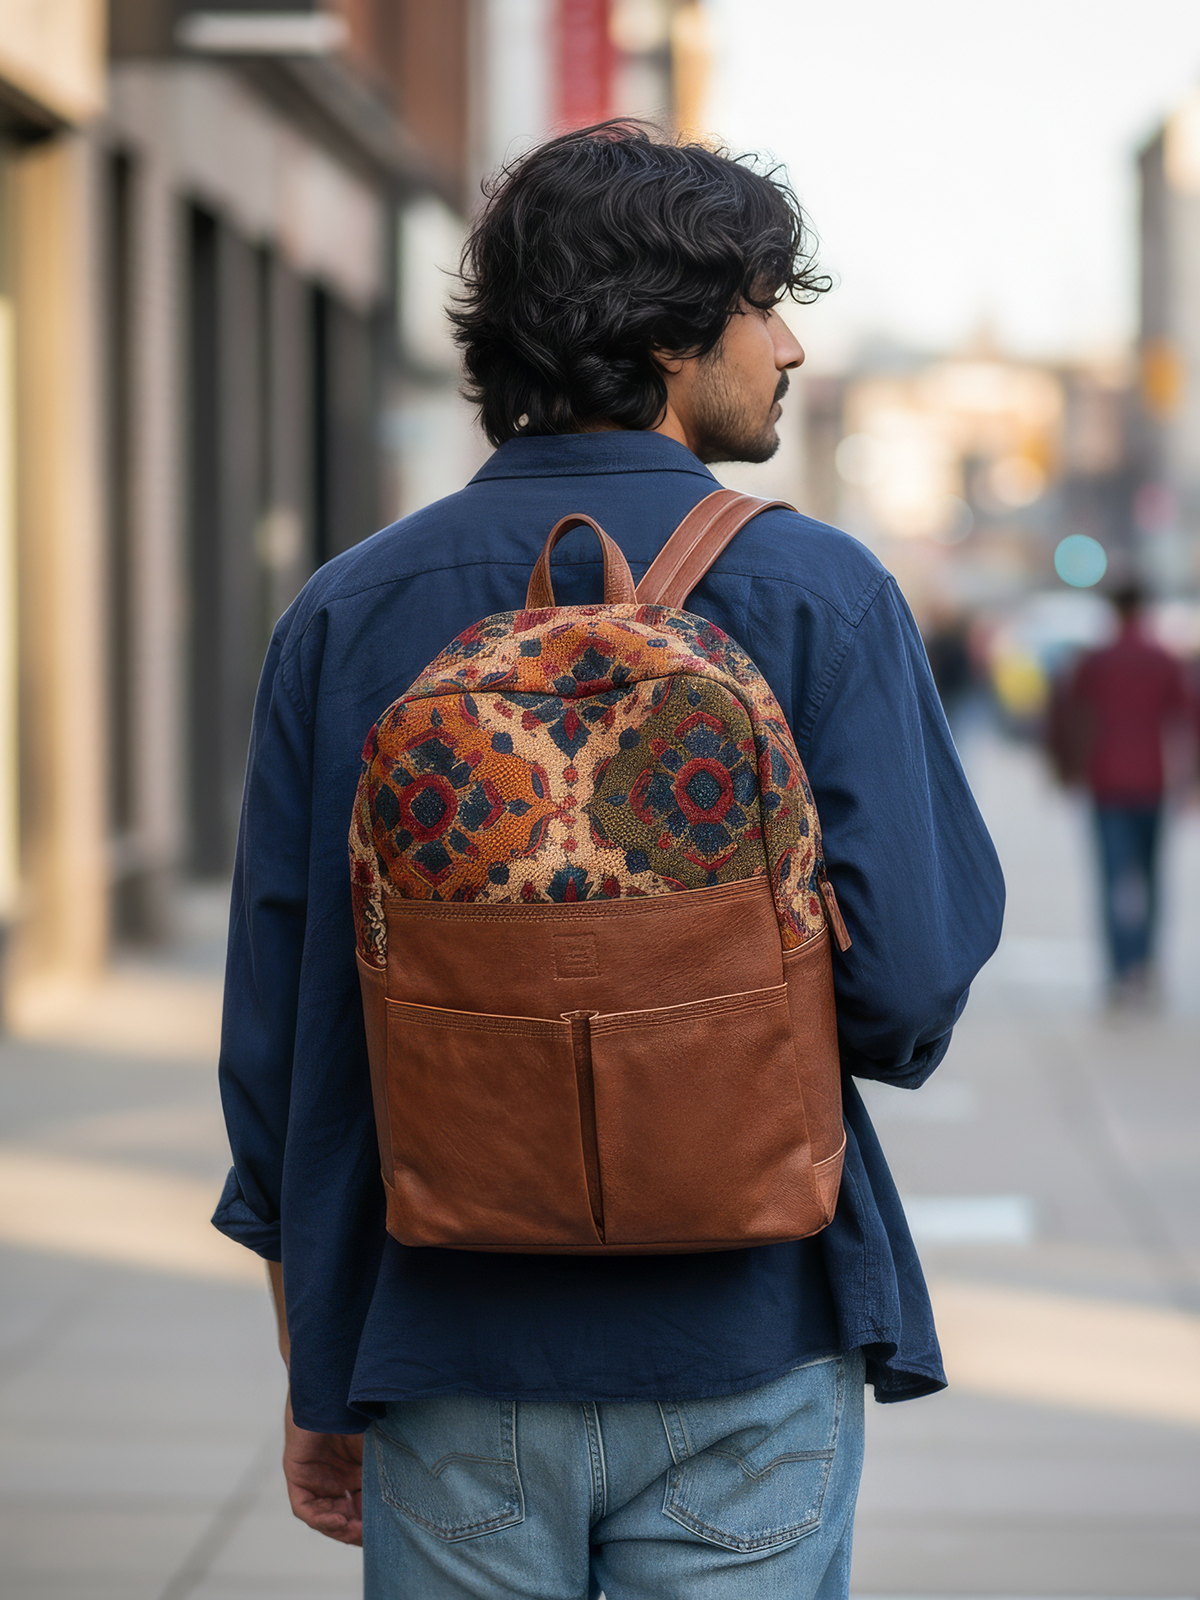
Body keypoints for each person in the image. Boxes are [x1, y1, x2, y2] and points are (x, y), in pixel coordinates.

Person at [212, 123, 1004, 1599]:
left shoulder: (347, 612)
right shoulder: (820, 593)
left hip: (447, 1342)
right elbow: (904, 992)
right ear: (658, 334)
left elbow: (291, 1045)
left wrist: (321, 1362)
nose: (789, 345)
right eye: (763, 301)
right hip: (746, 1332)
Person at [1052, 583, 1193, 1003]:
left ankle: (1118, 971)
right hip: (1153, 781)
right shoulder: (1163, 658)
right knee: (1151, 877)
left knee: (1113, 878)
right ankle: (1145, 966)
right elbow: (1189, 716)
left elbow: (1067, 713)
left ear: (1113, 609)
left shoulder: (1096, 660)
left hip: (1107, 781)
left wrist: (1065, 768)